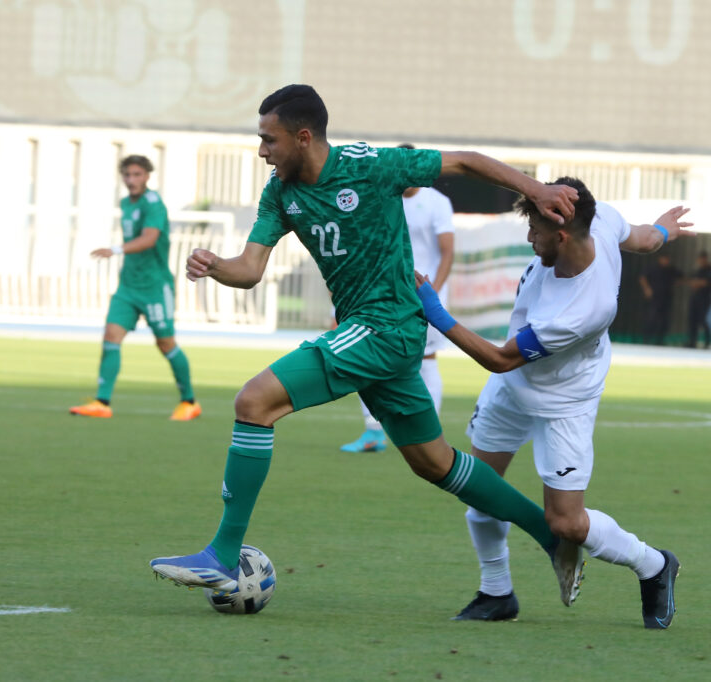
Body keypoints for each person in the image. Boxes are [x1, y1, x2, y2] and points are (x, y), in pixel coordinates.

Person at [148, 84, 586, 608]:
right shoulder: (280, 192)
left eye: (269, 139)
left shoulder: (370, 165)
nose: (262, 150)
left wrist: (535, 189)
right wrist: (216, 266)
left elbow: (466, 161)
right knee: (434, 463)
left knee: (253, 401)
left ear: (303, 137)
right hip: (376, 333)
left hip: (388, 325)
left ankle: (222, 553)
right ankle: (550, 534)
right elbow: (250, 268)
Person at [414, 177, 691, 628]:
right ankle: (496, 592)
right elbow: (639, 237)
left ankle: (655, 565)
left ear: (562, 235)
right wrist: (661, 231)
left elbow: (500, 359)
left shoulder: (584, 308)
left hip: (564, 401)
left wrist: (436, 312)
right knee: (481, 488)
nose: (529, 238)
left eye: (535, 232)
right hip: (514, 387)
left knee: (566, 524)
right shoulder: (596, 218)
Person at [341, 143, 455, 453]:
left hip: (423, 295)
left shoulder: (437, 202)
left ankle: (429, 434)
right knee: (367, 356)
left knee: (426, 360)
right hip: (384, 295)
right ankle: (373, 432)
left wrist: (433, 294)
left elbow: (447, 252)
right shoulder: (380, 198)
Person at [69, 156, 201, 421]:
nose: (131, 180)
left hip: (154, 286)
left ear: (147, 177)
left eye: (137, 175)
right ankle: (102, 401)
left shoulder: (154, 204)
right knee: (111, 336)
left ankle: (189, 402)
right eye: (127, 175)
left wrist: (115, 249)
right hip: (128, 286)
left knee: (165, 343)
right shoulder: (125, 204)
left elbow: (150, 239)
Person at [638, 253, 681, 345]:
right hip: (654, 298)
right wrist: (647, 289)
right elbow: (642, 277)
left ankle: (660, 340)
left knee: (664, 320)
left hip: (666, 298)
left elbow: (681, 278)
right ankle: (646, 339)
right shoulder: (653, 268)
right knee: (651, 318)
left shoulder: (670, 270)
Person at [686, 251, 711, 348]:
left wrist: (697, 283)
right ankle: (692, 342)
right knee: (692, 321)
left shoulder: (710, 270)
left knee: (705, 321)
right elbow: (690, 282)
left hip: (704, 299)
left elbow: (707, 282)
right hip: (695, 298)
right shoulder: (697, 270)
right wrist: (696, 283)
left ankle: (707, 343)